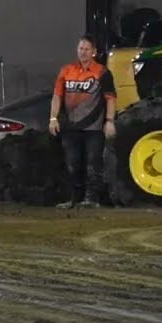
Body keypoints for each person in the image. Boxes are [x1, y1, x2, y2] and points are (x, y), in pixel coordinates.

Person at [48, 35, 117, 209]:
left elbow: (110, 98)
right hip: (70, 126)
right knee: (72, 163)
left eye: (87, 49)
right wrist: (53, 118)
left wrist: (109, 120)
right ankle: (74, 199)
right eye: (80, 48)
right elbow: (57, 96)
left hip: (94, 128)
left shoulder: (102, 72)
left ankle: (91, 199)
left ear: (94, 52)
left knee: (93, 163)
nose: (83, 52)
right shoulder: (66, 70)